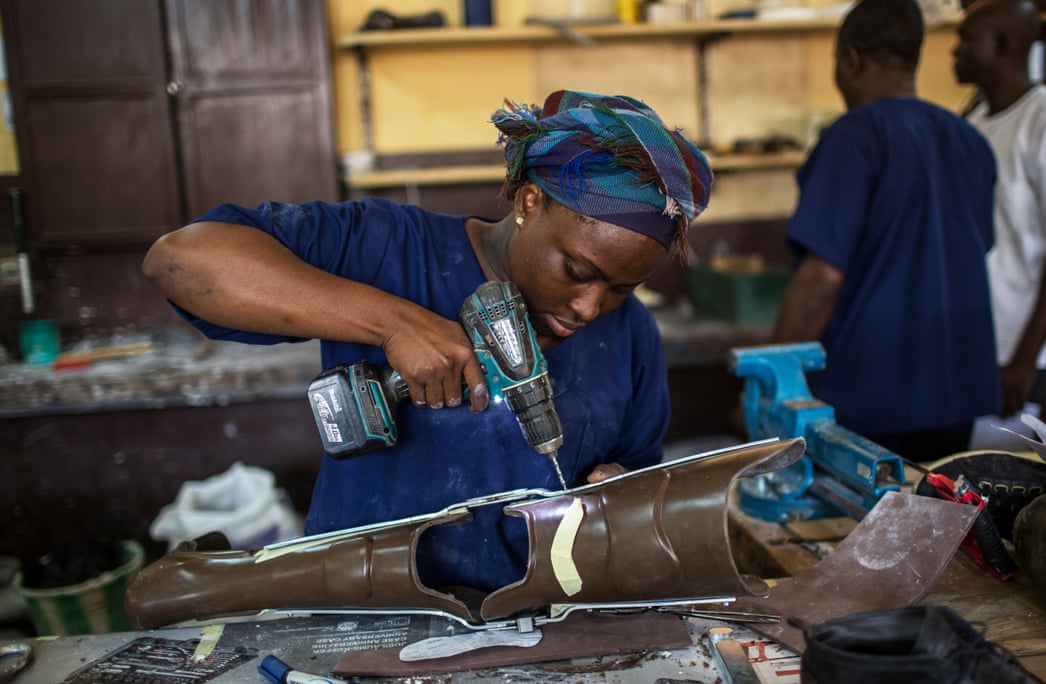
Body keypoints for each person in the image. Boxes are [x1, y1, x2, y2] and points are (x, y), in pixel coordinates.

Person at [142, 90, 713, 594]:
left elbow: (640, 477)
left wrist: (620, 497)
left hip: (537, 625)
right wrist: (391, 323)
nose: (590, 308)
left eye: (621, 287)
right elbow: (180, 262)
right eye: (577, 270)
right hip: (363, 609)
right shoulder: (386, 248)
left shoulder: (631, 331)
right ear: (529, 202)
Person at [770, 0, 1000, 461]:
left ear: (850, 59)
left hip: (869, 398)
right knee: (935, 523)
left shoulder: (854, 137)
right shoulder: (969, 141)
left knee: (857, 529)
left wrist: (772, 379)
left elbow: (821, 281)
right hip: (957, 393)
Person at [953, 0, 1046, 435]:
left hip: (1034, 337)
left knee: (1006, 458)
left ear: (1005, 44)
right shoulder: (977, 122)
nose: (955, 51)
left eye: (967, 39)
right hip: (994, 325)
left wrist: (1025, 360)